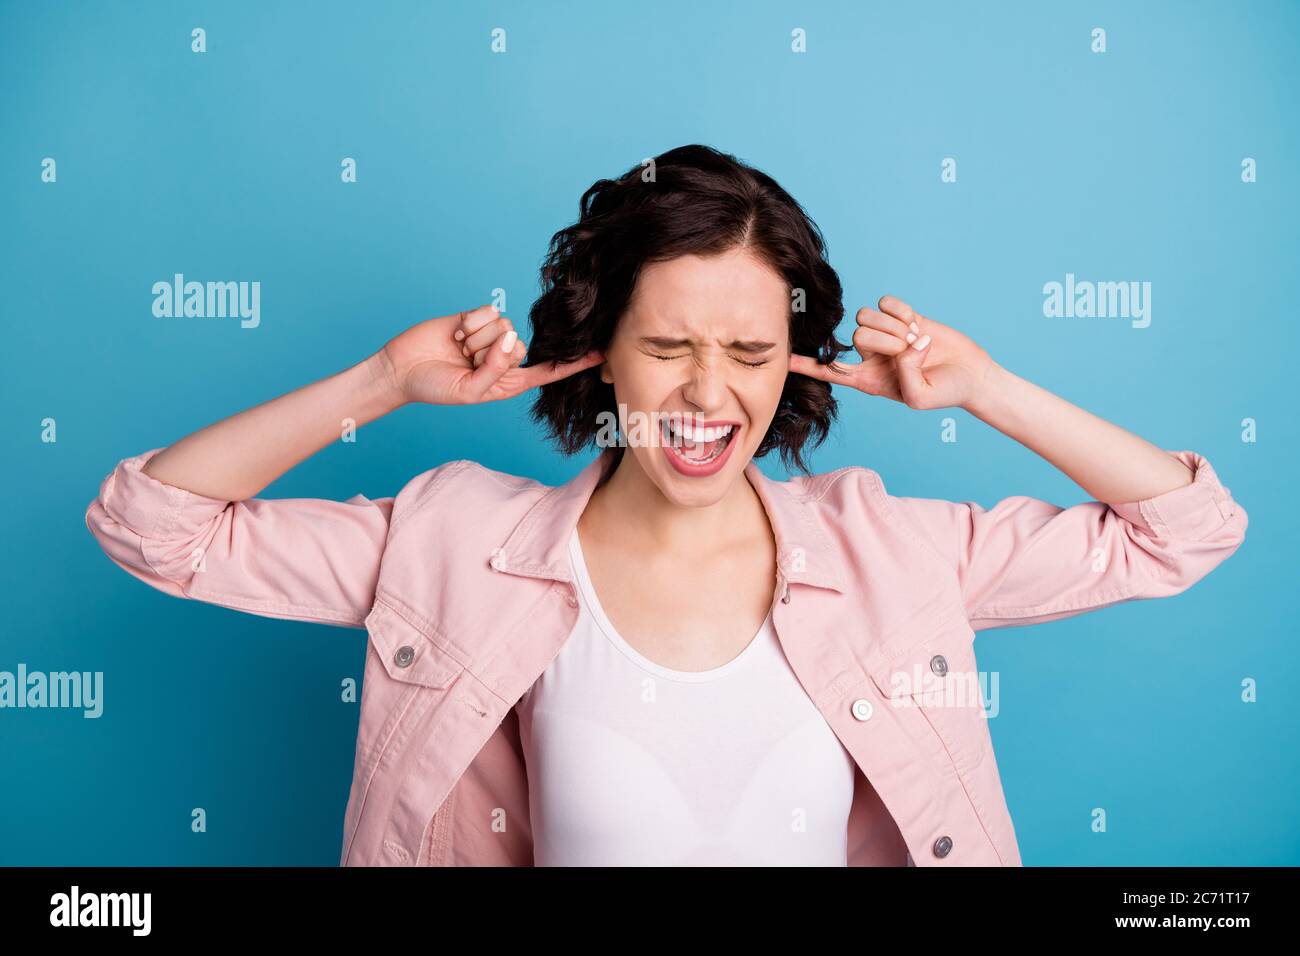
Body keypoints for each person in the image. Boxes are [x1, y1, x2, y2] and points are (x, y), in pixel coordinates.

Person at [85, 144, 1248, 866]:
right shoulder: (456, 543)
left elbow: (1184, 531)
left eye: (748, 350)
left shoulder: (892, 551)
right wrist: (380, 381)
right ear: (600, 353)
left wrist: (985, 389)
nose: (706, 391)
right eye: (667, 345)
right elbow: (153, 526)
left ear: (793, 360)